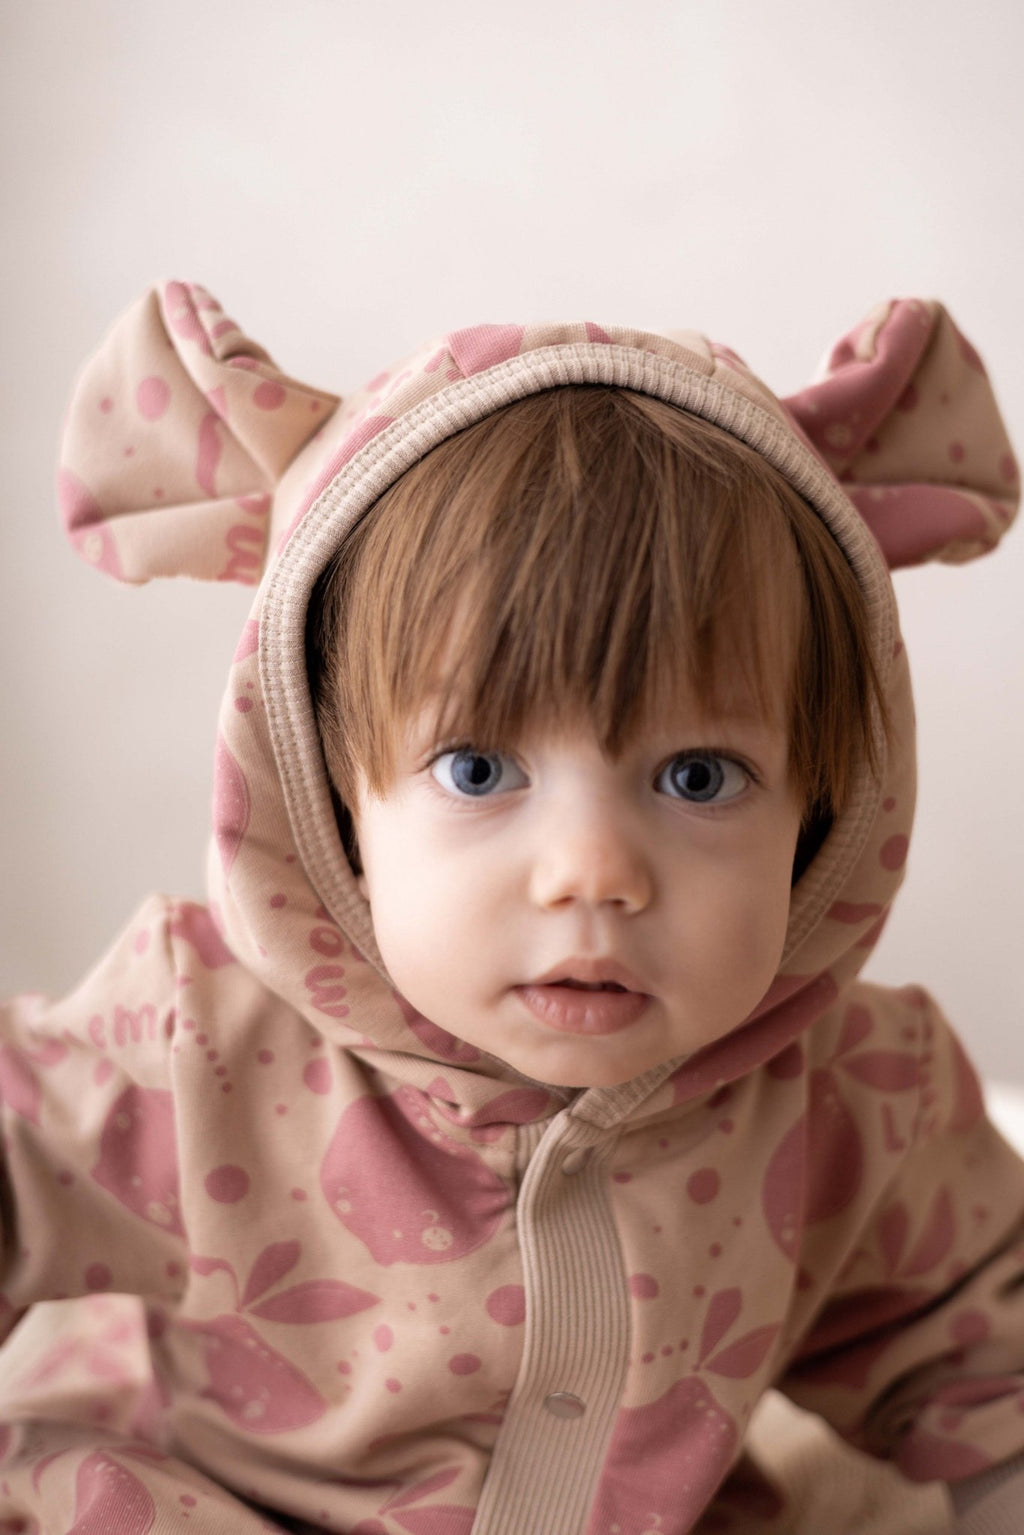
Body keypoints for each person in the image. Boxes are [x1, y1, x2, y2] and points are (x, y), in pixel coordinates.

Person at [1, 281, 1021, 1534]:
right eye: (479, 769)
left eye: (699, 777)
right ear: (330, 799)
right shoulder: (196, 1039)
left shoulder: (857, 1094)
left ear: (823, 812)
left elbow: (988, 1356)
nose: (592, 871)